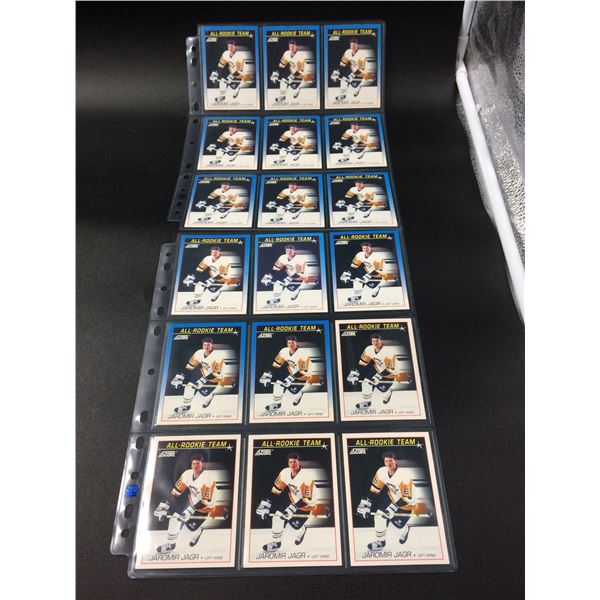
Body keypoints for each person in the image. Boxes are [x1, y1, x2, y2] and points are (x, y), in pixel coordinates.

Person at [153, 453, 218, 553]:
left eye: (198, 464)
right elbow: (176, 492)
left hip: (204, 508)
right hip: (192, 503)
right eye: (193, 464)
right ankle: (170, 545)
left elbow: (205, 502)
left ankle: (197, 532)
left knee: (185, 534)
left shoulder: (208, 479)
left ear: (202, 464)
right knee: (174, 519)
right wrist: (165, 505)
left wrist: (190, 510)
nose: (195, 466)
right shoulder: (187, 474)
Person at [255, 452, 317, 551]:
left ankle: (301, 530)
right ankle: (276, 543)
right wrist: (266, 504)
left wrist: (291, 509)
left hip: (306, 506)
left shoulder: (306, 477)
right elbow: (275, 491)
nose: (292, 464)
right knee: (277, 517)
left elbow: (306, 500)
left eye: (295, 462)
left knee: (290, 530)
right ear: (288, 463)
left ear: (299, 462)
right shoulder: (285, 472)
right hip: (292, 499)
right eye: (290, 462)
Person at [355, 451, 416, 549]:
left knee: (393, 530)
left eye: (390, 461)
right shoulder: (382, 471)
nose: (389, 463)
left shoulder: (404, 476)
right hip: (392, 497)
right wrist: (366, 503)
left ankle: (405, 529)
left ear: (395, 461)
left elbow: (407, 499)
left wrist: (393, 508)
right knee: (379, 517)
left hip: (407, 504)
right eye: (386, 461)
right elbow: (374, 489)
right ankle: (381, 542)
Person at [346, 332, 412, 409]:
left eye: (377, 341)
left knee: (379, 391)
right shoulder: (369, 349)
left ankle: (387, 392)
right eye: (373, 341)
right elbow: (362, 363)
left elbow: (389, 370)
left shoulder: (388, 352)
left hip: (390, 373)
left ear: (381, 341)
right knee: (366, 383)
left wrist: (377, 377)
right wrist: (354, 373)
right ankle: (367, 403)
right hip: (377, 368)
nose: (375, 343)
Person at [259, 335, 321, 411]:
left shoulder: (303, 354)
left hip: (303, 376)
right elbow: (276, 365)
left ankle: (298, 394)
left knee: (290, 394)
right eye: (289, 343)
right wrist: (268, 374)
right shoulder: (284, 351)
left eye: (293, 343)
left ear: (296, 343)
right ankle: (277, 404)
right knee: (278, 385)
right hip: (291, 371)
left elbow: (303, 371)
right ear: (287, 344)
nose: (291, 345)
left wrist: (290, 378)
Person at [170, 336, 228, 412]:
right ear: (202, 345)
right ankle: (186, 407)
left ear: (212, 345)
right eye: (205, 345)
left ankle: (209, 396)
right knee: (189, 387)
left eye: (208, 345)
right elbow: (190, 366)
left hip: (215, 378)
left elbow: (216, 374)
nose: (206, 347)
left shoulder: (218, 356)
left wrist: (202, 381)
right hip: (204, 374)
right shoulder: (199, 353)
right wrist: (180, 376)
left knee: (198, 400)